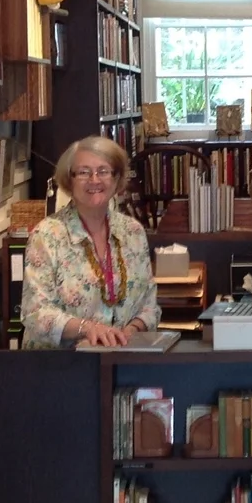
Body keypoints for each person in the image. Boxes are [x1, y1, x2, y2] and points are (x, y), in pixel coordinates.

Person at [20, 135, 160, 348]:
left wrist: (130, 332)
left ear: (116, 178)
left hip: (120, 360)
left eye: (103, 171)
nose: (94, 180)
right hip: (59, 367)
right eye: (84, 172)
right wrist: (88, 329)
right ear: (69, 180)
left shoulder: (133, 232)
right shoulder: (47, 236)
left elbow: (150, 306)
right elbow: (36, 314)